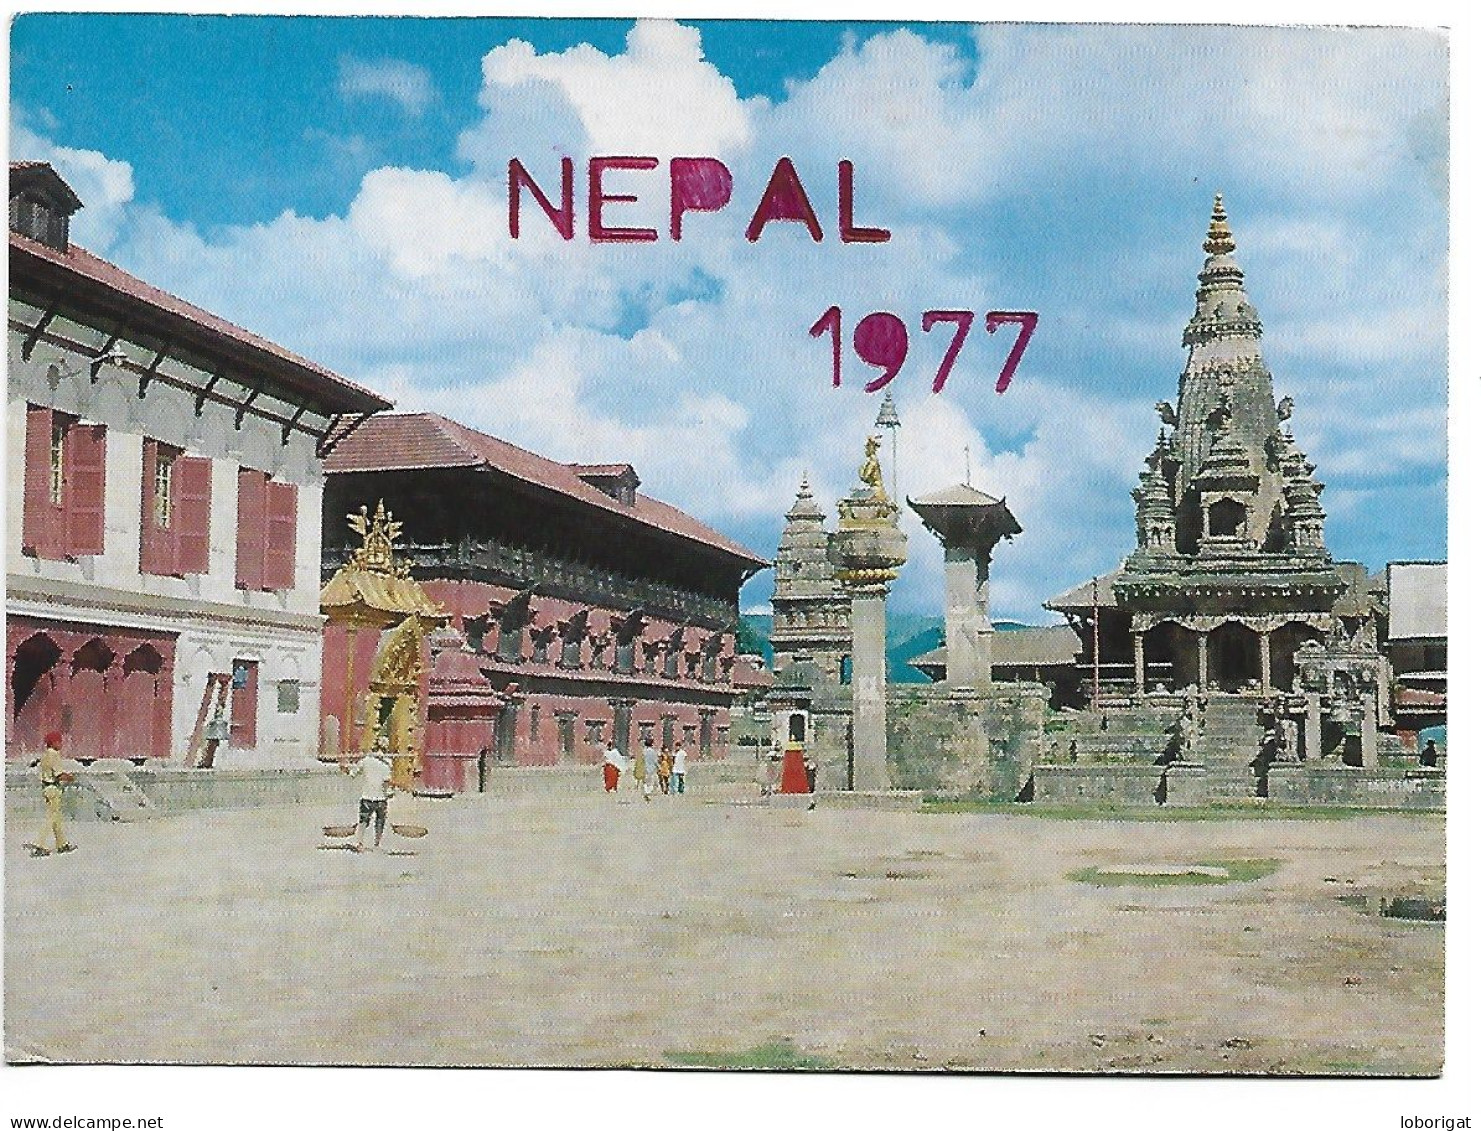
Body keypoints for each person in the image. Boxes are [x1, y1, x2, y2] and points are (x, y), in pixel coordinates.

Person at [28, 731, 75, 856]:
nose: (61, 744)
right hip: (53, 789)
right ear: (53, 743)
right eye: (59, 741)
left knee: (56, 819)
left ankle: (62, 844)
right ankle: (40, 844)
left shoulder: (45, 755)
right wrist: (70, 777)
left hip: (46, 788)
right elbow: (59, 775)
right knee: (51, 818)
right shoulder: (54, 755)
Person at [347, 742, 394, 852]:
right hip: (381, 797)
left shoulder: (365, 761)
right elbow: (386, 781)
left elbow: (352, 773)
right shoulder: (387, 763)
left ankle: (359, 843)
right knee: (380, 821)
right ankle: (377, 844)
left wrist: (345, 768)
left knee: (363, 821)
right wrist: (390, 792)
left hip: (367, 796)